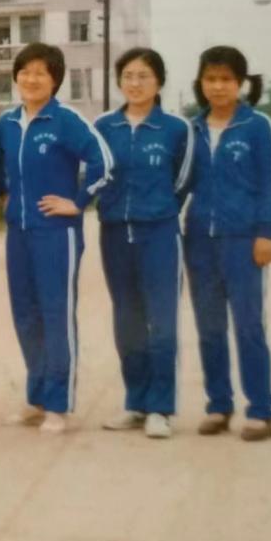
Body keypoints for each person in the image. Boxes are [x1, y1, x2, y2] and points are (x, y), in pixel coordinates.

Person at [0, 43, 112, 434]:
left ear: (55, 79)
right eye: (25, 72)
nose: (31, 79)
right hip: (18, 232)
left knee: (55, 314)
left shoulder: (66, 120)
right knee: (25, 315)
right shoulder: (7, 123)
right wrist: (6, 194)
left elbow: (103, 163)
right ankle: (37, 397)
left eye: (40, 73)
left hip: (56, 234)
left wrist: (78, 201)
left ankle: (59, 404)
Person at [183, 46, 271, 442]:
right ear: (201, 83)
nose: (218, 86)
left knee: (248, 326)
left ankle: (260, 411)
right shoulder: (192, 129)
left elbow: (270, 183)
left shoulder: (257, 126)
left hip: (243, 241)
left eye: (226, 79)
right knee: (209, 328)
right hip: (199, 241)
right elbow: (180, 183)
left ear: (240, 83)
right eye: (211, 79)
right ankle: (219, 405)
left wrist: (266, 233)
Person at [94, 48, 194, 440]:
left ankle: (160, 408)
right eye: (128, 76)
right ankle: (135, 403)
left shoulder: (176, 129)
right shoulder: (104, 126)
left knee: (162, 322)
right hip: (115, 233)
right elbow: (94, 173)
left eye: (144, 76)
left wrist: (160, 208)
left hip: (159, 234)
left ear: (159, 82)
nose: (135, 83)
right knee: (127, 320)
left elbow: (183, 180)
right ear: (119, 81)